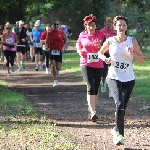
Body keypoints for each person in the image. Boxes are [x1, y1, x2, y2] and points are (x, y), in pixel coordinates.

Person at [98, 15, 144, 145]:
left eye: (124, 25)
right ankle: (119, 135)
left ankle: (115, 128)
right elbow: (100, 53)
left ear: (127, 27)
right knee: (119, 103)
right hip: (114, 76)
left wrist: (132, 53)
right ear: (115, 27)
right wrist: (105, 59)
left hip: (129, 78)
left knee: (123, 106)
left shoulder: (132, 41)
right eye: (119, 25)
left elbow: (141, 60)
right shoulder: (110, 40)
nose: (122, 27)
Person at [76, 14, 104, 122]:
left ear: (96, 25)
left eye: (93, 25)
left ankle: (92, 107)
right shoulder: (82, 35)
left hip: (98, 64)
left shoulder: (101, 34)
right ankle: (93, 112)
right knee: (90, 85)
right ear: (85, 26)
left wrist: (99, 46)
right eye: (89, 25)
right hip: (85, 63)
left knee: (96, 87)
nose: (91, 27)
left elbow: (106, 48)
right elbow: (78, 45)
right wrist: (79, 52)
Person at [46, 18, 68, 87]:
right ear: (53, 25)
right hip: (52, 51)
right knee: (53, 66)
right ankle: (55, 80)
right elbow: (46, 42)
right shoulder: (49, 33)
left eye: (57, 24)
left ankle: (57, 71)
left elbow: (66, 39)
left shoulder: (61, 32)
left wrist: (63, 47)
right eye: (54, 24)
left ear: (59, 25)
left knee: (58, 68)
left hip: (59, 51)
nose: (56, 25)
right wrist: (47, 47)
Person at [100, 17, 116, 98]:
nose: (109, 25)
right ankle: (103, 83)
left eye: (110, 24)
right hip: (104, 54)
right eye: (107, 24)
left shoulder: (115, 32)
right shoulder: (102, 32)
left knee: (112, 71)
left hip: (113, 54)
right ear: (105, 24)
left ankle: (111, 89)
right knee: (103, 71)